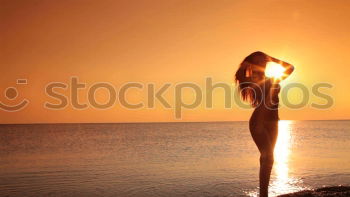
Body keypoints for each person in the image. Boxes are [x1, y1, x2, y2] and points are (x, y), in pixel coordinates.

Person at [235, 51, 294, 197]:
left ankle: (263, 193)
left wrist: (272, 58)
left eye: (264, 60)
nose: (263, 62)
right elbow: (239, 74)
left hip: (273, 121)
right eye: (259, 60)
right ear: (252, 63)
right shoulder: (250, 79)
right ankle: (263, 194)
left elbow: (291, 68)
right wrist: (248, 63)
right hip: (258, 121)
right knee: (268, 157)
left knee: (267, 158)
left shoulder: (273, 79)